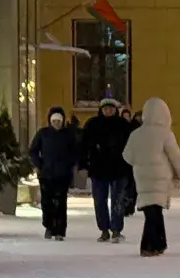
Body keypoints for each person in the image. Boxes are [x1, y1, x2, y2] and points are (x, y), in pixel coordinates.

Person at [123, 97, 180, 258]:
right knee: (155, 213)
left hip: (142, 179)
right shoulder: (166, 134)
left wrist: (141, 161)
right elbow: (176, 157)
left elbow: (127, 157)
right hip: (160, 179)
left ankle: (159, 243)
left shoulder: (135, 134)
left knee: (151, 212)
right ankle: (149, 246)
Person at [80, 98, 133, 243]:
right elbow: (83, 146)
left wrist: (130, 164)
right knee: (99, 201)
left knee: (118, 201)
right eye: (105, 108)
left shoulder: (123, 125)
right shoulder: (92, 124)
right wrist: (83, 164)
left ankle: (116, 230)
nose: (108, 111)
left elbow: (131, 146)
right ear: (101, 110)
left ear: (116, 110)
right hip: (98, 169)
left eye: (111, 108)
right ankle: (104, 230)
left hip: (119, 169)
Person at [28, 107, 79, 241]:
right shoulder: (43, 134)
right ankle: (49, 226)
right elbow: (33, 151)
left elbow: (75, 151)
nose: (56, 123)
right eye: (54, 121)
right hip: (46, 173)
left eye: (59, 121)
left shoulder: (68, 135)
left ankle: (60, 230)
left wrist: (70, 164)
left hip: (63, 174)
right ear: (50, 121)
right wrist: (39, 164)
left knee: (61, 202)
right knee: (47, 202)